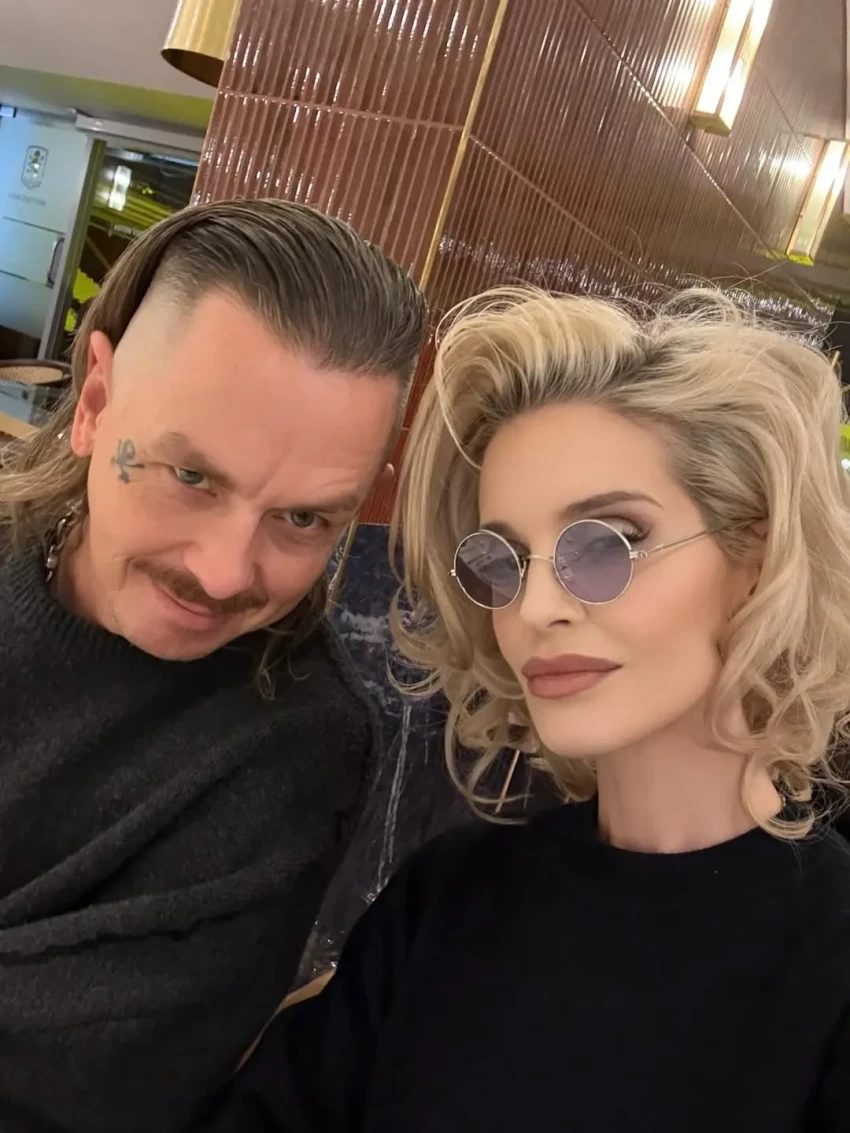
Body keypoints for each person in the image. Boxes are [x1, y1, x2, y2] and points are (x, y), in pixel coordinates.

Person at [195, 287, 850, 1133]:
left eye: (606, 543)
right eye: (504, 559)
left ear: (755, 553)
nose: (535, 607)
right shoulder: (447, 901)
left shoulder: (828, 961)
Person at [0, 199, 426, 1132]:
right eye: (192, 477)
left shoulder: (294, 748)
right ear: (95, 403)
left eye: (303, 519)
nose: (225, 573)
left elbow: (63, 1087)